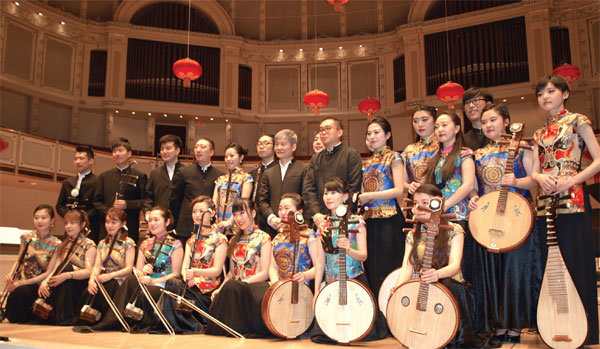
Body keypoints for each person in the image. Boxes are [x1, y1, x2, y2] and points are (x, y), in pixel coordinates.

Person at [531, 75, 600, 345]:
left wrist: (572, 180)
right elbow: (535, 172)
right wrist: (538, 179)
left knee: (575, 262)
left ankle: (588, 331)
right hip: (545, 201)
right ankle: (557, 326)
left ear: (565, 93)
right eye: (540, 93)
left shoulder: (578, 120)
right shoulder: (538, 133)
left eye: (551, 91)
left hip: (572, 198)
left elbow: (598, 159)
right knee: (549, 266)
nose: (545, 96)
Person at [468, 104, 540, 342]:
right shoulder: (478, 154)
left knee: (515, 272)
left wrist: (517, 182)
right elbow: (475, 187)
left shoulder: (522, 147)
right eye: (485, 121)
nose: (488, 125)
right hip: (490, 218)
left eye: (493, 120)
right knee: (493, 273)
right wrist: (474, 197)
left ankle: (516, 325)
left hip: (517, 218)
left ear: (507, 121)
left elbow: (533, 181)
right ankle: (497, 324)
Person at [394, 184, 478, 347]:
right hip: (423, 286)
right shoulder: (412, 234)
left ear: (438, 204)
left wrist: (437, 275)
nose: (419, 207)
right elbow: (407, 267)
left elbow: (455, 265)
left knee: (444, 285)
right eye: (416, 203)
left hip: (451, 287)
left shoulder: (455, 230)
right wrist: (398, 288)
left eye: (425, 203)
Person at [311, 178, 387, 342]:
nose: (328, 197)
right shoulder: (323, 225)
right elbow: (320, 261)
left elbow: (364, 255)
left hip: (354, 280)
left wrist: (349, 250)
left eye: (333, 193)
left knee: (360, 331)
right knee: (323, 335)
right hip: (331, 282)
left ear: (345, 197)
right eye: (326, 193)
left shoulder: (357, 221)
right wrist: (317, 290)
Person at [93, 206, 183, 332]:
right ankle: (116, 319)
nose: (152, 223)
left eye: (156, 220)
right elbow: (138, 270)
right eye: (150, 220)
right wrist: (142, 274)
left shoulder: (175, 244)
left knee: (141, 287)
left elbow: (175, 274)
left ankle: (120, 320)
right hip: (145, 282)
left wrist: (153, 281)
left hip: (163, 285)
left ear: (167, 222)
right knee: (130, 279)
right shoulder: (145, 243)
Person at [206, 199, 272, 337]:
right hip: (235, 287)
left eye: (242, 213)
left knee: (233, 287)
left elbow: (265, 273)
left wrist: (242, 283)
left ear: (253, 213)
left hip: (254, 287)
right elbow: (231, 273)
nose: (238, 218)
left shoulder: (264, 238)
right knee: (228, 289)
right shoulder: (234, 240)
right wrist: (220, 288)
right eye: (235, 214)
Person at [357, 116, 406, 300]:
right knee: (372, 268)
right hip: (370, 222)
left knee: (389, 267)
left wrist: (370, 196)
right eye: (369, 133)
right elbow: (362, 193)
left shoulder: (394, 157)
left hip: (389, 219)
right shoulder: (366, 162)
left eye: (376, 132)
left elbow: (399, 190)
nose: (372, 136)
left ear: (388, 135)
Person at [162, 196, 227, 332]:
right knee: (172, 282)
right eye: (194, 211)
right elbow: (184, 267)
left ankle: (191, 325)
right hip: (190, 286)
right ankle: (179, 325)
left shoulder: (220, 239)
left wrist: (195, 274)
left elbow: (217, 270)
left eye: (201, 211)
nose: (197, 215)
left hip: (207, 290)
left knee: (173, 285)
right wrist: (188, 277)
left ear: (212, 213)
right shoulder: (191, 240)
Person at [37, 209, 97, 325]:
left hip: (79, 283)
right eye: (66, 223)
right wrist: (46, 280)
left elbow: (89, 271)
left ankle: (67, 315)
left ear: (82, 224)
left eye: (72, 223)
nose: (68, 226)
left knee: (67, 269)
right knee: (58, 274)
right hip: (63, 281)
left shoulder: (89, 245)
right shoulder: (64, 245)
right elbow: (57, 268)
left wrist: (68, 275)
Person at [4, 204, 62, 323]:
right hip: (22, 282)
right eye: (36, 217)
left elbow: (49, 272)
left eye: (43, 217)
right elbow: (19, 260)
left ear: (52, 220)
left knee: (22, 292)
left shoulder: (57, 244)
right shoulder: (26, 238)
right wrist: (11, 275)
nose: (39, 221)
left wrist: (21, 283)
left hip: (39, 285)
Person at [78, 208, 135, 325]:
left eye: (114, 222)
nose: (110, 225)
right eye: (107, 222)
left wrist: (111, 275)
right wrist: (91, 280)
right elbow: (97, 267)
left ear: (123, 223)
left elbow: (129, 268)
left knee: (108, 287)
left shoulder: (128, 243)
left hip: (120, 281)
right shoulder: (102, 243)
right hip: (104, 279)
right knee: (88, 292)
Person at [303, 117, 362, 229]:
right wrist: (316, 214)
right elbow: (308, 189)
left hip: (344, 218)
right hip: (320, 219)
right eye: (321, 130)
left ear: (339, 132)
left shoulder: (351, 155)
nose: (323, 132)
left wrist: (341, 211)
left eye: (328, 128)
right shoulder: (316, 158)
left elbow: (354, 186)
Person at [170, 138, 223, 244]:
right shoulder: (183, 172)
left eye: (203, 147)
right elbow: (174, 200)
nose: (198, 150)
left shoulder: (220, 176)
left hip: (210, 228)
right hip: (185, 227)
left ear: (211, 152)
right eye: (196, 147)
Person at [94, 138, 147, 243]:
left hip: (129, 227)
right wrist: (110, 214)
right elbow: (97, 202)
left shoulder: (140, 176)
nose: (117, 154)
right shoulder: (104, 176)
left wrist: (127, 204)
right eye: (114, 151)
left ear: (129, 154)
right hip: (107, 227)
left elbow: (145, 201)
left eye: (120, 150)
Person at [257, 129, 307, 238]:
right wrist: (271, 218)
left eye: (283, 144)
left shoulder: (303, 169)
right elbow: (262, 200)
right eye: (277, 144)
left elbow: (306, 197)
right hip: (272, 227)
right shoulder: (268, 172)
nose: (279, 148)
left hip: (296, 227)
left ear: (293, 147)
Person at [56, 146, 100, 242]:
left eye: (81, 158)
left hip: (90, 230)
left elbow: (99, 206)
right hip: (70, 230)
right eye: (75, 159)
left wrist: (81, 218)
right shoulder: (68, 182)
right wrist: (70, 217)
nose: (78, 161)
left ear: (91, 161)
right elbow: (59, 205)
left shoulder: (98, 181)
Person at [213, 143, 253, 233]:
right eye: (226, 156)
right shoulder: (220, 179)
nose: (228, 159)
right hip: (218, 226)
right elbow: (214, 203)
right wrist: (215, 221)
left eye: (232, 156)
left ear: (241, 157)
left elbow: (242, 204)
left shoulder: (246, 178)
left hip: (236, 225)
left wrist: (229, 222)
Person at [401, 105, 440, 195]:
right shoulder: (409, 150)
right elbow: (401, 182)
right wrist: (409, 186)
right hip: (416, 201)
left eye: (425, 120)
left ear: (435, 121)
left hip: (440, 199)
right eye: (415, 121)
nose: (420, 124)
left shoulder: (444, 146)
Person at [143, 134, 184, 219]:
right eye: (162, 149)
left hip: (180, 220)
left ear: (177, 150)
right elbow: (148, 197)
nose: (164, 152)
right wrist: (147, 212)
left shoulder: (186, 172)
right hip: (160, 220)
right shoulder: (155, 173)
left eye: (168, 148)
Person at [249, 134, 278, 233]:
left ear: (274, 147)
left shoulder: (279, 170)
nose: (261, 146)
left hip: (273, 218)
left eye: (266, 143)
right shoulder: (252, 173)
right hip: (256, 219)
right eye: (259, 144)